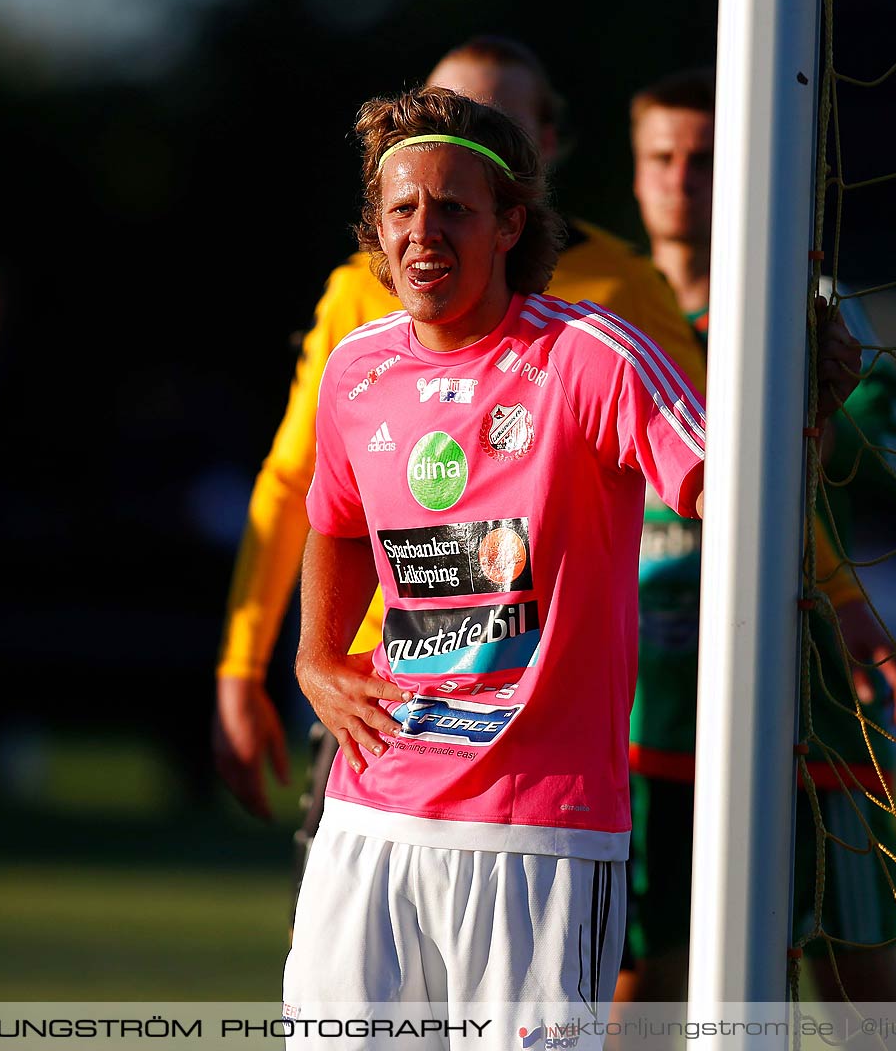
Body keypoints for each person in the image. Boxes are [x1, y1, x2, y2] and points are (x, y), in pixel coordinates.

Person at [283, 85, 862, 1034]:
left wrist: (801, 424)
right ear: (375, 230)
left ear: (511, 223)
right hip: (374, 812)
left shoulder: (591, 356)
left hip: (537, 831)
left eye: (453, 208)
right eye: (401, 209)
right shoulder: (359, 369)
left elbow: (734, 497)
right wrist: (314, 658)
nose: (423, 232)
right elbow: (335, 519)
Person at [211, 36, 705, 845]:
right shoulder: (358, 310)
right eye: (404, 199)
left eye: (492, 120)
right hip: (379, 722)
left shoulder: (615, 308)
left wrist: (838, 596)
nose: (426, 222)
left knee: (638, 966)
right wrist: (260, 661)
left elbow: (714, 459)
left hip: (543, 752)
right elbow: (303, 491)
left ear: (536, 150)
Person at [610, 69, 896, 1014]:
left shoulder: (808, 304)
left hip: (799, 698)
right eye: (661, 159)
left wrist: (824, 403)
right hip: (638, 708)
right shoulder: (602, 311)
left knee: (856, 984)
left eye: (705, 160)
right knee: (639, 981)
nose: (681, 181)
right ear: (633, 175)